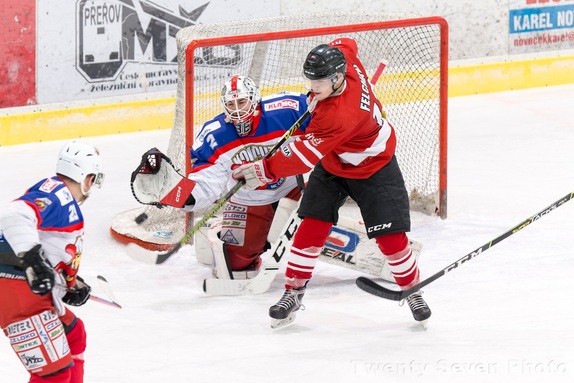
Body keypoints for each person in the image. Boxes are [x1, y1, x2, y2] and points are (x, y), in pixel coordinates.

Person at [231, 38, 432, 326]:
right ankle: (293, 292)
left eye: (320, 82)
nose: (313, 88)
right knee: (310, 228)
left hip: (374, 166)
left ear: (338, 78)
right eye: (310, 80)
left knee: (392, 241)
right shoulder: (344, 60)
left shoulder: (339, 115)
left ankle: (412, 289)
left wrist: (264, 169)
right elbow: (346, 42)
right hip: (335, 163)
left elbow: (301, 157)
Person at [131, 75, 310, 278]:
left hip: (292, 190)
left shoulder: (289, 110)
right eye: (231, 104)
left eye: (242, 102)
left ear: (254, 99)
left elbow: (323, 125)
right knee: (235, 267)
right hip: (249, 201)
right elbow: (206, 184)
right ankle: (223, 227)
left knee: (317, 235)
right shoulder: (214, 135)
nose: (237, 109)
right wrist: (177, 193)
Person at [0, 140, 104, 383]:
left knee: (74, 334)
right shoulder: (58, 195)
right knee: (55, 375)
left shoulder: (56, 194)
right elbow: (13, 215)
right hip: (15, 288)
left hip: (22, 286)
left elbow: (45, 245)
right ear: (88, 178)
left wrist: (69, 282)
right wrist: (34, 262)